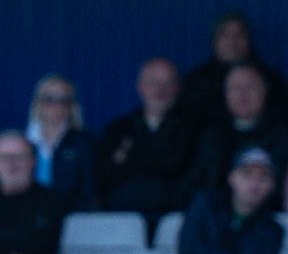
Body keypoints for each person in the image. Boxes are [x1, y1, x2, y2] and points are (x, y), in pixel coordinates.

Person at [98, 57, 197, 224]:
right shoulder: (117, 130)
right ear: (140, 87)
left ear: (178, 88)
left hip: (176, 218)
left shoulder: (195, 130)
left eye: (167, 83)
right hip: (124, 219)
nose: (160, 89)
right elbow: (105, 179)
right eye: (153, 82)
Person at [170, 147, 284, 254]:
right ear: (231, 177)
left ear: (272, 185)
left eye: (263, 177)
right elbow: (189, 250)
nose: (255, 183)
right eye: (247, 174)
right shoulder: (205, 205)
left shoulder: (272, 230)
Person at [183, 64, 288, 202]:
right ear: (225, 94)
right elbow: (196, 181)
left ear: (265, 92)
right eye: (235, 88)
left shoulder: (282, 134)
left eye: (250, 87)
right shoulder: (211, 135)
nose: (242, 93)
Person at [180, 12, 286, 125]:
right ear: (214, 41)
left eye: (239, 35)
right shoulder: (195, 82)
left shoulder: (270, 80)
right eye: (225, 35)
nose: (232, 41)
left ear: (249, 41)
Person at [23, 74, 98, 212]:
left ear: (72, 106)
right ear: (37, 103)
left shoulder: (85, 143)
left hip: (71, 217)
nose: (57, 106)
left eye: (64, 100)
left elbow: (90, 191)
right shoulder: (22, 142)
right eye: (49, 99)